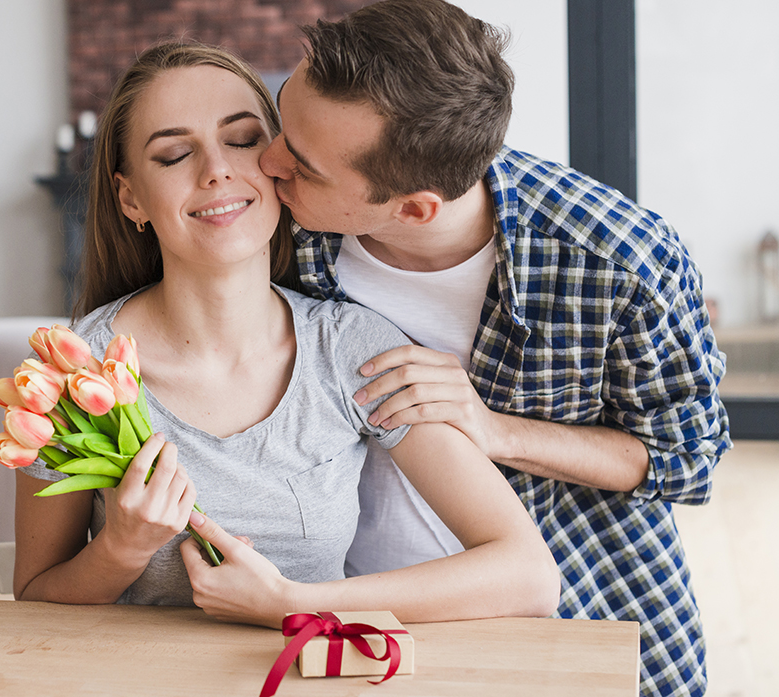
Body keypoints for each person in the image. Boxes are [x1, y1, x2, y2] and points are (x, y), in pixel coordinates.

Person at [257, 1, 731, 694]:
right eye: (280, 120)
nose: (267, 162)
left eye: (303, 165)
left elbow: (689, 457)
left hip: (570, 613)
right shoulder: (283, 230)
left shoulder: (620, 262)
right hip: (347, 622)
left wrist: (494, 429)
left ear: (414, 208)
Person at [12, 41, 560, 629]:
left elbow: (527, 574)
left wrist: (290, 604)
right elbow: (35, 595)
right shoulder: (73, 372)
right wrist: (119, 550)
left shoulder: (351, 349)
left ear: (281, 164)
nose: (216, 168)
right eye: (173, 154)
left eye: (243, 140)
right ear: (130, 198)